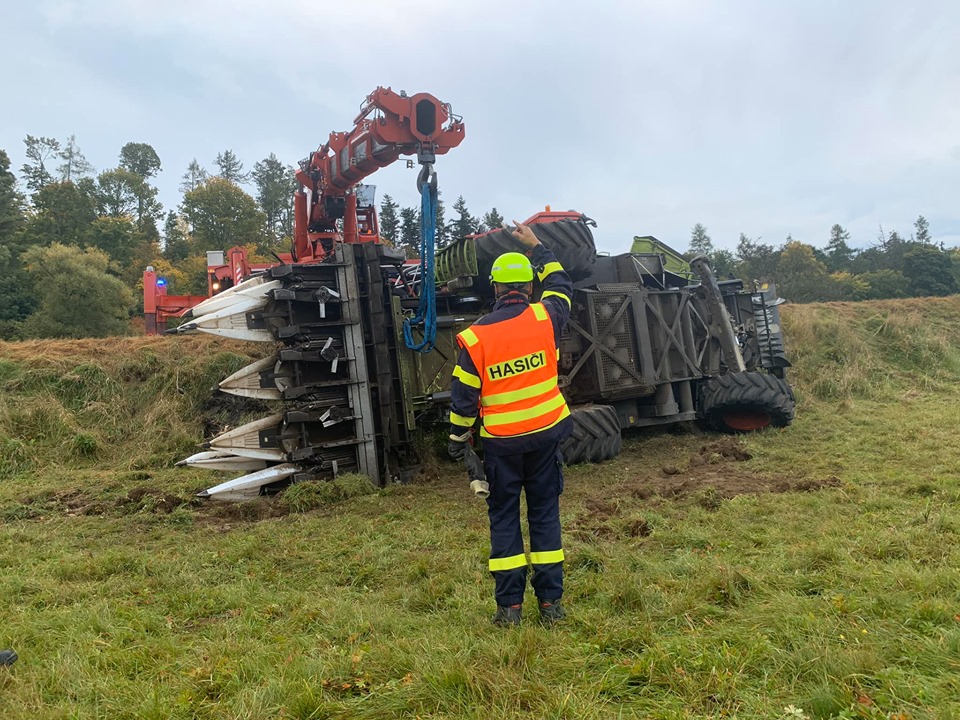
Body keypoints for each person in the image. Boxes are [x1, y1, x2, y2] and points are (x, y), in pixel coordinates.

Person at [448, 221, 573, 626]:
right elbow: (562, 284)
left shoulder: (476, 337)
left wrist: (457, 438)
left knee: (504, 520)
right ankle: (551, 607)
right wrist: (537, 245)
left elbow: (464, 396)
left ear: (495, 289)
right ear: (529, 288)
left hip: (501, 446)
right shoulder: (546, 317)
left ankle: (510, 610)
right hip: (545, 438)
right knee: (544, 516)